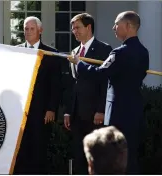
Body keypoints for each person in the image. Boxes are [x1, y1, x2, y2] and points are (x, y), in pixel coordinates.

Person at [68, 11, 149, 174]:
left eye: (117, 24)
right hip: (135, 110)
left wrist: (79, 63)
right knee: (130, 156)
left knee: (115, 157)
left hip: (118, 112)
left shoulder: (119, 53)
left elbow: (99, 74)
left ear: (128, 26)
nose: (114, 28)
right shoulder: (143, 52)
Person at [63, 13, 112, 174]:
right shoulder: (75, 51)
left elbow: (105, 82)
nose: (74, 31)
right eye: (72, 28)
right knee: (79, 156)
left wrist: (101, 110)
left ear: (88, 27)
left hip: (94, 114)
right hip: (77, 115)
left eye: (77, 27)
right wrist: (68, 111)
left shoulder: (104, 49)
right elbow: (73, 83)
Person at [14, 16, 61, 174]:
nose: (28, 32)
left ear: (40, 31)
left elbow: (55, 85)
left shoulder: (50, 53)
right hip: (20, 111)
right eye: (26, 29)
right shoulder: (16, 51)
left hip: (42, 111)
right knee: (20, 149)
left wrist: (51, 109)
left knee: (39, 149)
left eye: (31, 29)